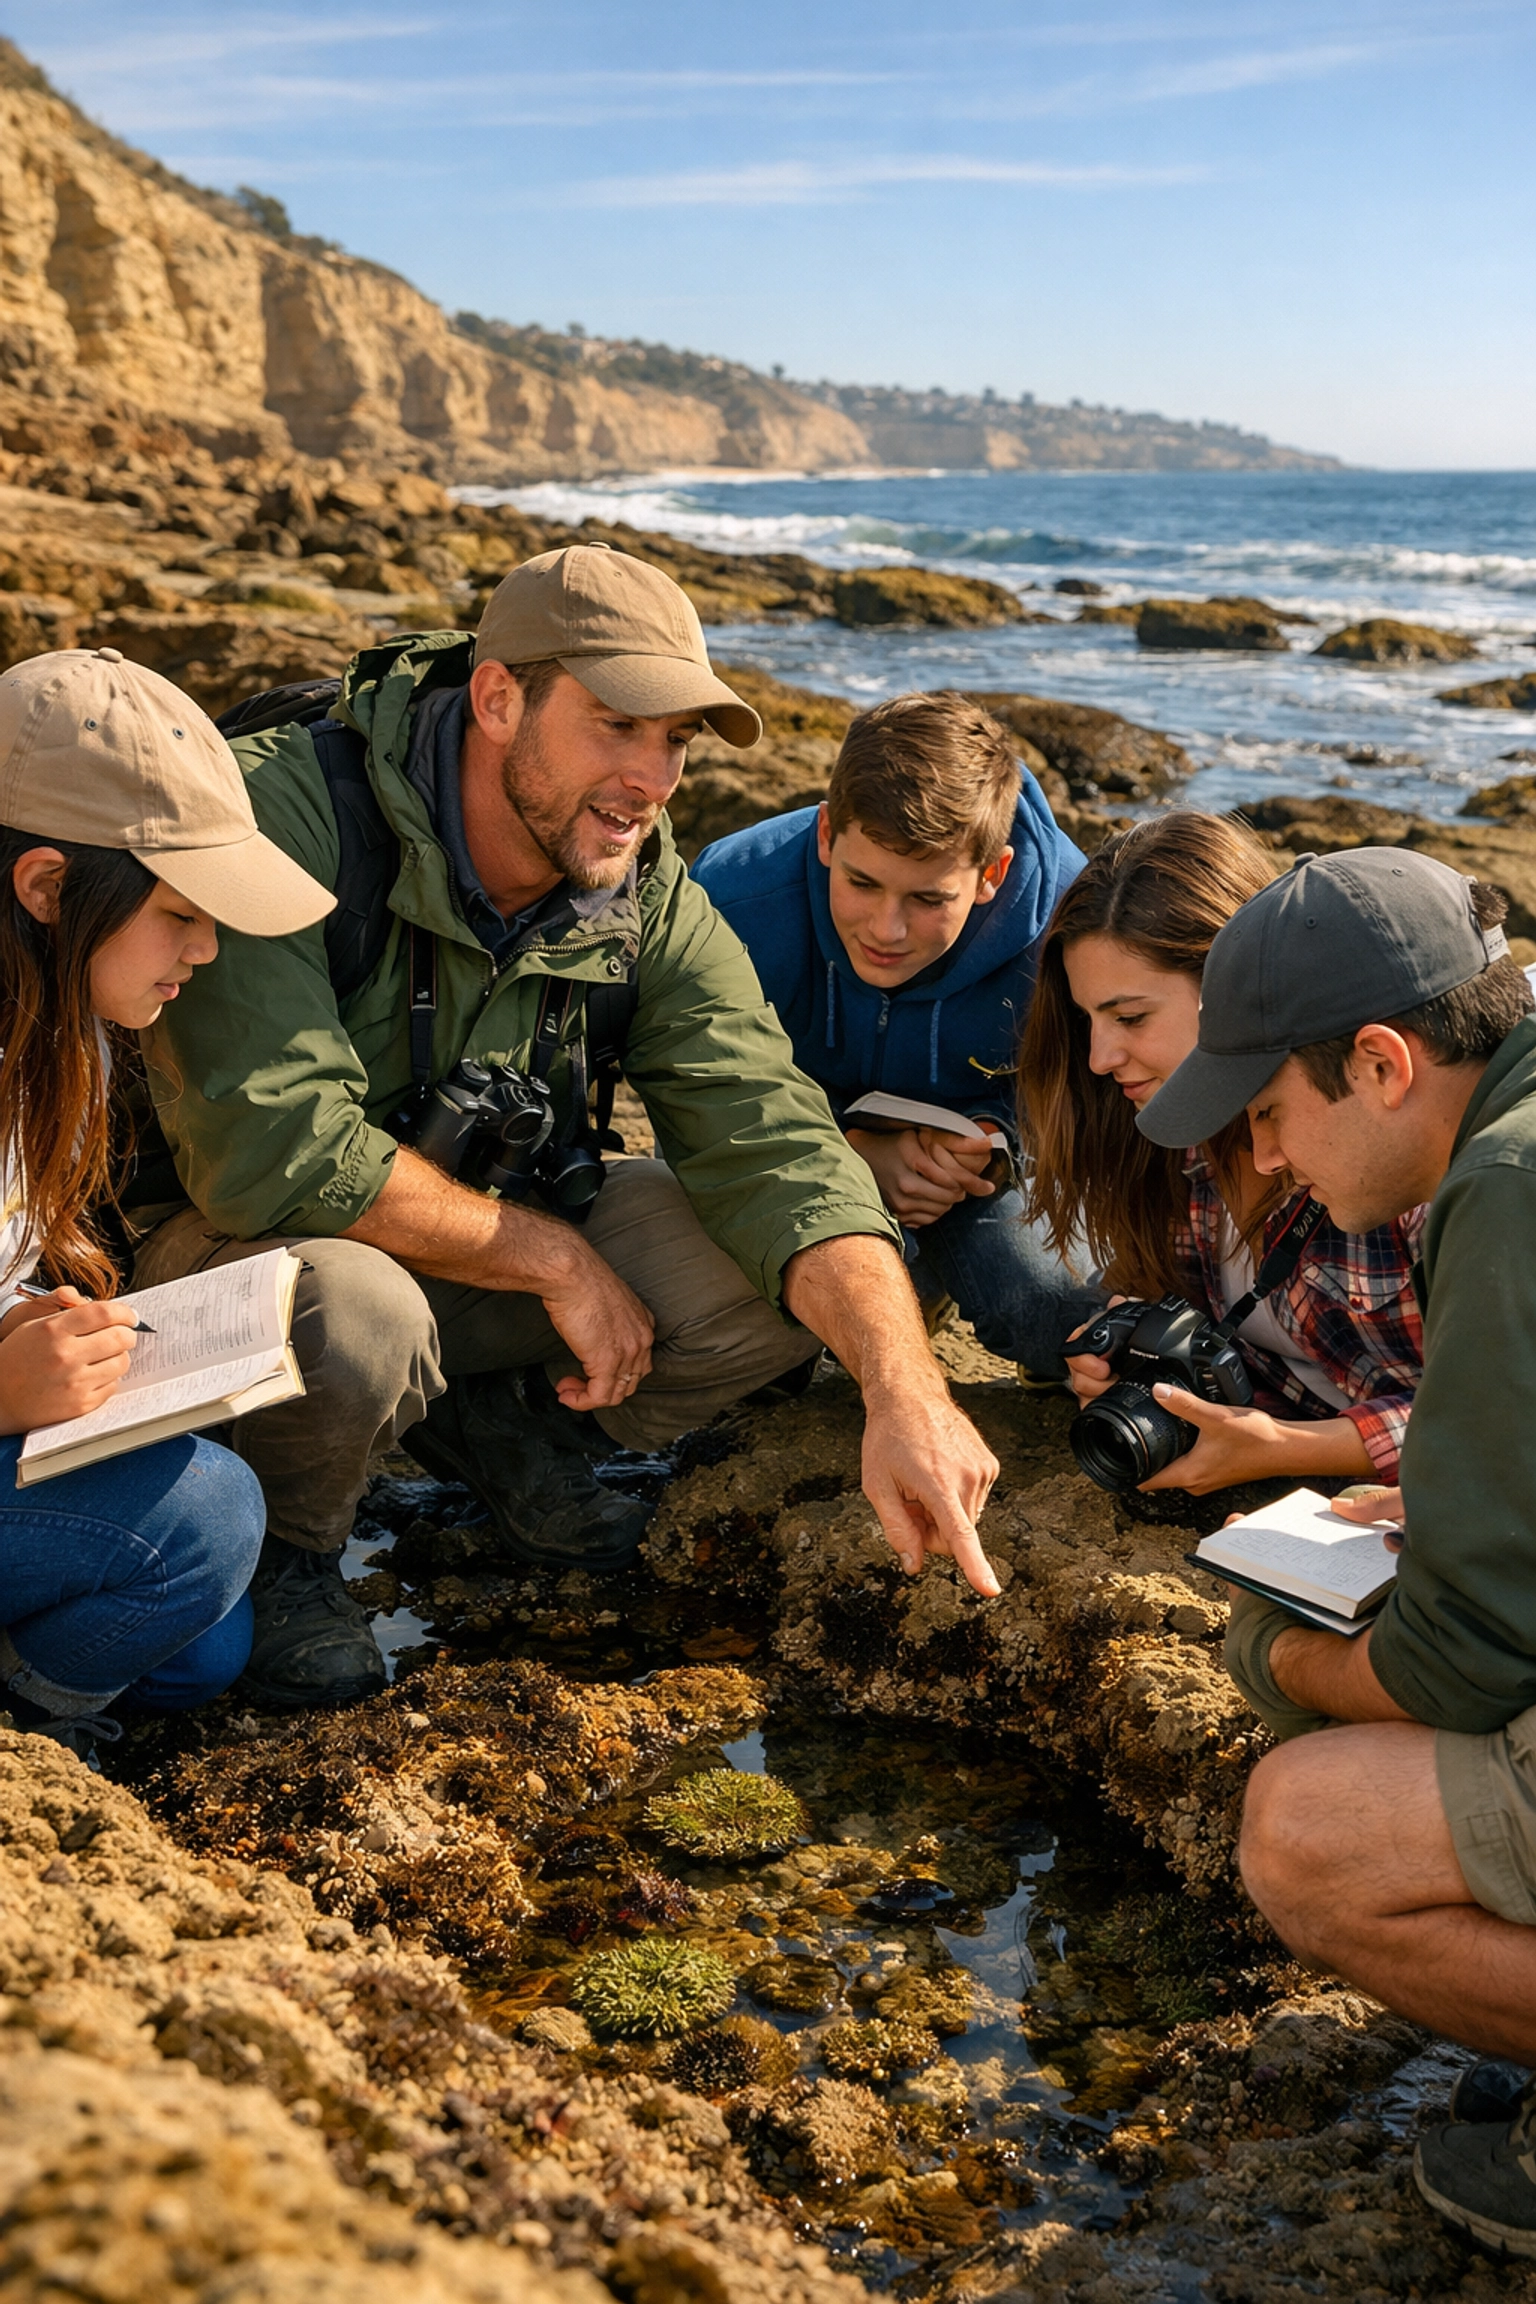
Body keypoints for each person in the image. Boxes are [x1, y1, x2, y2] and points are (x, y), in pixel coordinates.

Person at [129, 546, 1002, 1712]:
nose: (651, 779)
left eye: (677, 743)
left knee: (775, 1259)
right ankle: (293, 1547)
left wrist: (907, 1392)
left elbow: (773, 1141)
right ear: (498, 698)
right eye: (616, 726)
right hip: (211, 1260)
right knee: (358, 1307)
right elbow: (271, 1150)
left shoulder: (639, 886)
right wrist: (556, 1257)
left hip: (462, 1244)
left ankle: (503, 1425)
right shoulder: (289, 812)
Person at [1135, 844, 1536, 2256]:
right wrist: (1451, 1475)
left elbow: (1467, 1664)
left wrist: (1282, 1650)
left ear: (1378, 1064)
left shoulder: (1506, 1186)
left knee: (1304, 1832)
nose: (1259, 1159)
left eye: (1267, 1111)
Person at [0, 646, 334, 1763]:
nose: (206, 949)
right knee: (207, 1525)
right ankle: (29, 1738)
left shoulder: (63, 1030)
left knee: (201, 1648)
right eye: (182, 910)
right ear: (48, 887)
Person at [693, 690, 1101, 1376]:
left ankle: (932, 1281)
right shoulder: (729, 896)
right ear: (825, 834)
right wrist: (849, 1151)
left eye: (927, 899)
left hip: (978, 1178)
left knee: (1061, 1314)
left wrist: (999, 1152)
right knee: (742, 1332)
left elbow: (1108, 1093)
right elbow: (696, 1086)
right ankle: (910, 1281)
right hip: (794, 1159)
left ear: (991, 875)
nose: (886, 930)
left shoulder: (1075, 920)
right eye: (862, 883)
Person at [1020, 814, 1424, 1495]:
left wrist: (1287, 1449)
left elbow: (1498, 1416)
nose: (1099, 1058)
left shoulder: (1391, 1146)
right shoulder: (1163, 1150)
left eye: (1131, 1017)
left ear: (1231, 987)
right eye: (1088, 1019)